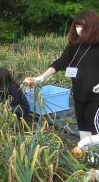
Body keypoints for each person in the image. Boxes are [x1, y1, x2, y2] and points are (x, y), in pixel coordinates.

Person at [26, 10, 99, 146]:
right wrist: (41, 77)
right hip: (78, 93)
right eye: (76, 26)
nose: (78, 29)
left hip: (96, 96)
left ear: (93, 26)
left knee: (93, 123)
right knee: (82, 122)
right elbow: (60, 63)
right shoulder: (74, 44)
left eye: (82, 26)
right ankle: (87, 151)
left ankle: (96, 156)